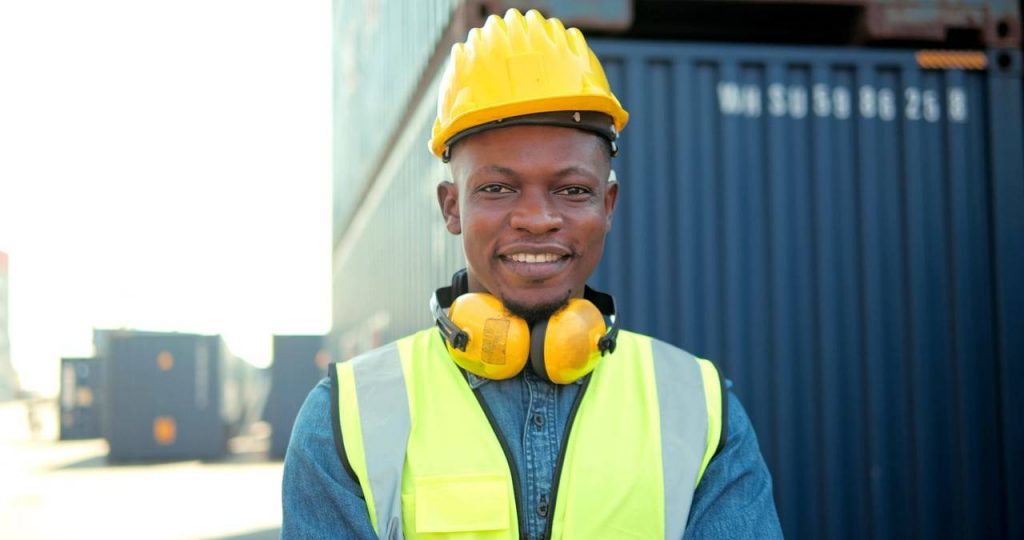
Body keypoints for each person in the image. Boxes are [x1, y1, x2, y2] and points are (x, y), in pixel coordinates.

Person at [282, 9, 781, 539]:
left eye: (572, 190)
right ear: (452, 207)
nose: (538, 219)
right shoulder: (341, 421)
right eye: (498, 188)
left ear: (608, 205)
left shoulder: (703, 411)